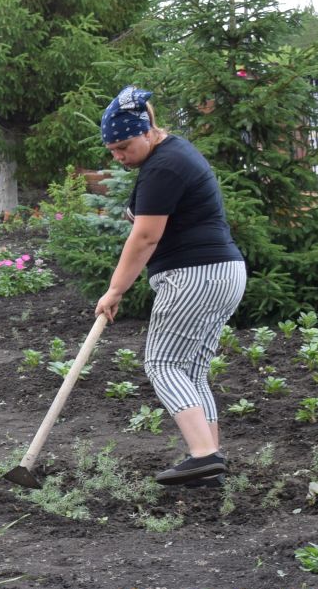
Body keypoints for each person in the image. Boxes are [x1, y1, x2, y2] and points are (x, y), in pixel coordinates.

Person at [92, 87, 247, 485]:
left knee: (162, 364)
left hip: (194, 276)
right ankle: (210, 461)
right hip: (223, 273)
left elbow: (145, 237)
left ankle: (202, 454)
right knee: (192, 372)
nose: (118, 157)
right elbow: (142, 213)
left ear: (146, 131)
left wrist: (115, 290)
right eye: (112, 150)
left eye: (124, 146)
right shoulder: (172, 155)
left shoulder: (164, 165)